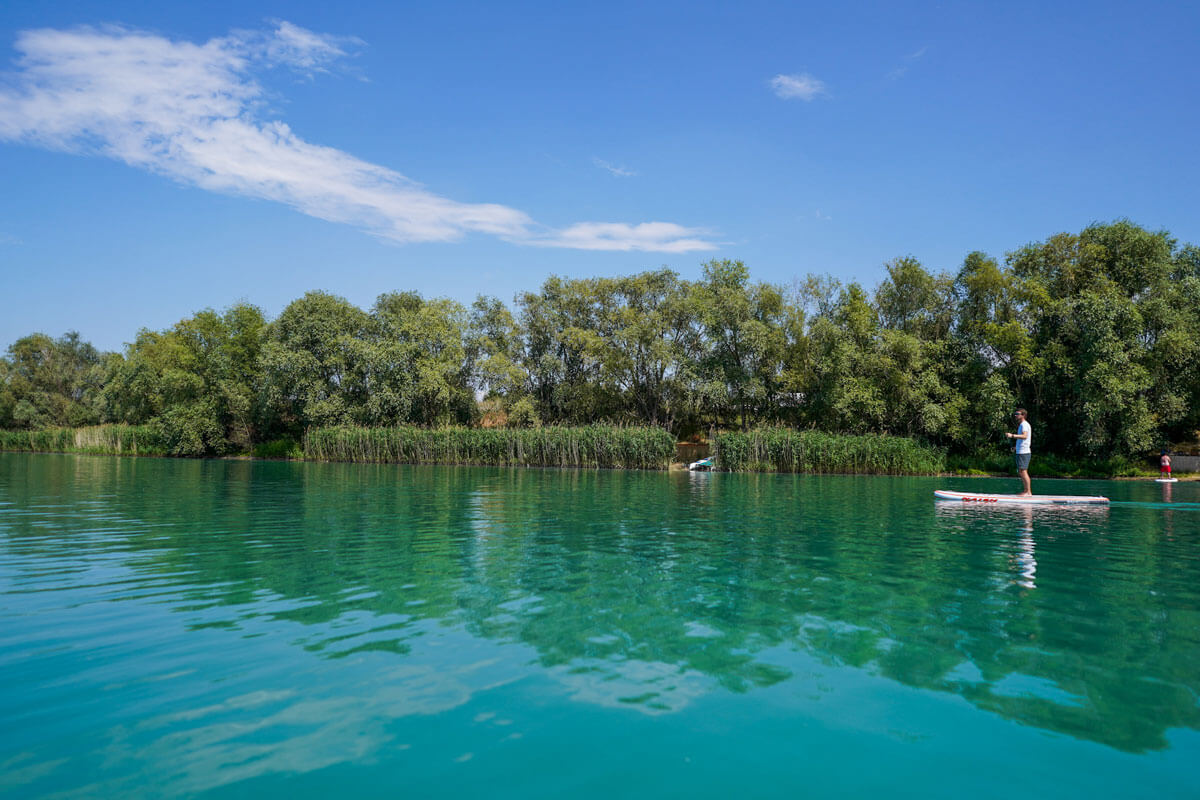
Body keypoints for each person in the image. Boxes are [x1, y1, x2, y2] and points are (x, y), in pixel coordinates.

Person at [1005, 408, 1032, 496]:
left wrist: (1012, 435)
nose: (1016, 415)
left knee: (1023, 472)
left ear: (1023, 415)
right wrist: (1016, 447)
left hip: (1024, 452)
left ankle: (1027, 492)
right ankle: (1027, 491)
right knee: (1021, 471)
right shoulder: (1022, 425)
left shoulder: (1024, 425)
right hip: (1021, 451)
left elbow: (1024, 436)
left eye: (1017, 414)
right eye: (1015, 413)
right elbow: (1024, 440)